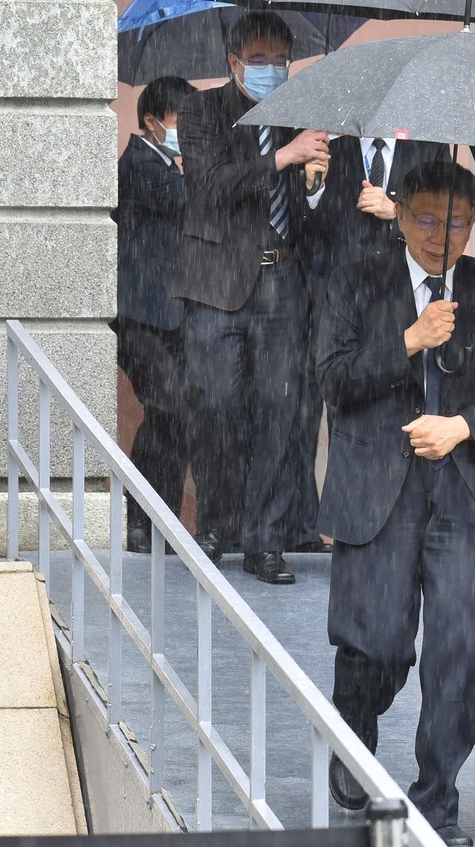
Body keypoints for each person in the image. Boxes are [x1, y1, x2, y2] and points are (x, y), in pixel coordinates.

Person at [316, 161, 475, 847]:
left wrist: (462, 426)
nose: (441, 235)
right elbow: (332, 380)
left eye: (457, 222)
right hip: (378, 483)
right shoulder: (355, 277)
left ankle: (438, 801)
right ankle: (355, 733)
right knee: (378, 644)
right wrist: (409, 339)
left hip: (465, 491)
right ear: (399, 215)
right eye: (428, 219)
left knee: (457, 651)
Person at [172, 12, 330, 582]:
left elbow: (315, 215)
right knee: (215, 404)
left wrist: (313, 187)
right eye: (260, 60)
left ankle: (266, 540)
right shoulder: (201, 110)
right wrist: (282, 158)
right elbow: (210, 185)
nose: (272, 70)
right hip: (216, 283)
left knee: (279, 412)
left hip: (283, 282)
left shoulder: (301, 118)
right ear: (234, 62)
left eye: (280, 60)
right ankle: (217, 523)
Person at [287, 136, 451, 553]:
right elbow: (305, 232)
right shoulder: (332, 148)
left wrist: (396, 211)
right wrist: (313, 191)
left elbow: (443, 218)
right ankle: (303, 525)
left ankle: (377, 521)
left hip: (398, 300)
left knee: (384, 405)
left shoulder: (427, 149)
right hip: (334, 298)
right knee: (313, 406)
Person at [114, 75, 196, 553]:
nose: (189, 129)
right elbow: (187, 203)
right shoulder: (139, 165)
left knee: (177, 416)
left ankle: (157, 519)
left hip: (168, 316)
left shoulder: (167, 166)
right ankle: (140, 516)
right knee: (168, 407)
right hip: (140, 316)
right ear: (151, 122)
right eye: (182, 119)